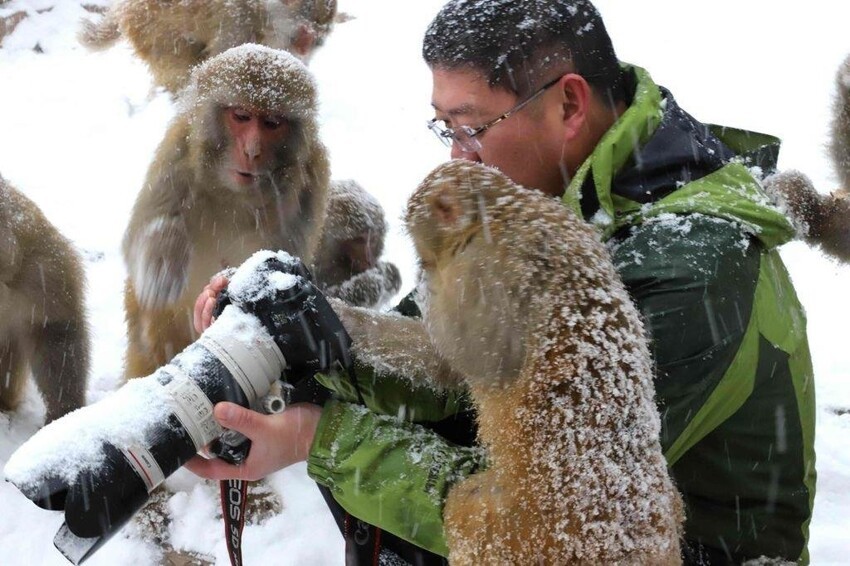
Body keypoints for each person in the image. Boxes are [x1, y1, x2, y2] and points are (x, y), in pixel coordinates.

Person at [187, 1, 817, 563]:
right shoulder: (536, 196)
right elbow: (440, 353)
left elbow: (547, 527)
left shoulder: (689, 272)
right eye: (445, 127)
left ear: (568, 104)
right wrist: (307, 328)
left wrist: (317, 439)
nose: (457, 156)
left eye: (473, 127)